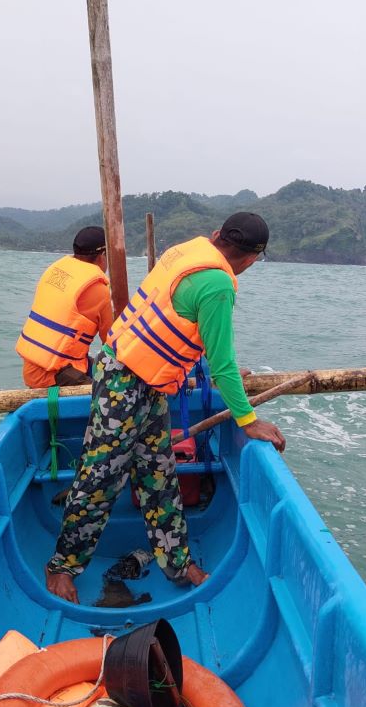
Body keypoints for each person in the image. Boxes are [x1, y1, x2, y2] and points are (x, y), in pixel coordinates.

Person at [45, 212, 287, 604]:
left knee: (159, 476)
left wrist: (210, 368)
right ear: (253, 258)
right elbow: (223, 365)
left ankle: (178, 563)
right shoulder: (218, 284)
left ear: (216, 235)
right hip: (123, 380)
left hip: (145, 382)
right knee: (99, 479)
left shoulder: (189, 250)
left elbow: (179, 325)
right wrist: (248, 420)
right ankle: (61, 566)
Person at [15, 226, 114, 388]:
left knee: (93, 364)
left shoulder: (56, 270)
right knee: (113, 393)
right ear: (103, 256)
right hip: (55, 375)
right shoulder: (98, 289)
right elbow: (111, 342)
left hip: (32, 368)